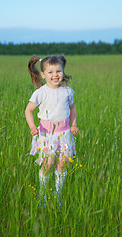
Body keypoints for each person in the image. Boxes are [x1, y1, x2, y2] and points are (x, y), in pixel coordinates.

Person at [25, 55, 79, 201]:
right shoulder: (40, 93)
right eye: (50, 72)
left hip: (65, 133)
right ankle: (43, 194)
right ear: (43, 75)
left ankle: (57, 194)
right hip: (47, 134)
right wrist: (32, 127)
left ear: (62, 71)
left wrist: (73, 124)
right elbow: (28, 110)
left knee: (62, 163)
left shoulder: (67, 91)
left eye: (58, 71)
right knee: (47, 164)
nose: (55, 75)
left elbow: (72, 109)